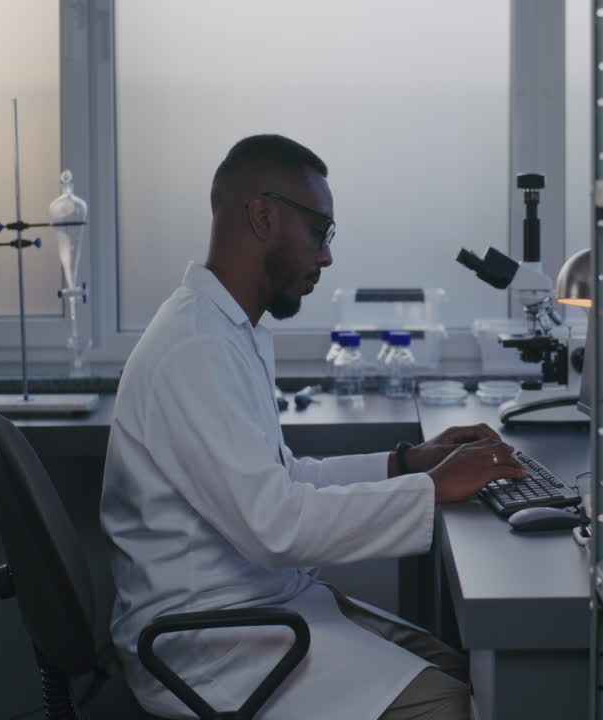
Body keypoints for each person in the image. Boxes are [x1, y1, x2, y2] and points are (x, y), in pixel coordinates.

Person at [100, 134, 526, 720]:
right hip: (209, 642)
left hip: (259, 609)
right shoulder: (194, 346)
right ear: (263, 215)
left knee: (468, 668)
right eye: (319, 232)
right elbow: (274, 528)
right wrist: (432, 491)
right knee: (452, 706)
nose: (325, 257)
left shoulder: (232, 330)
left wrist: (407, 463)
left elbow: (282, 478)